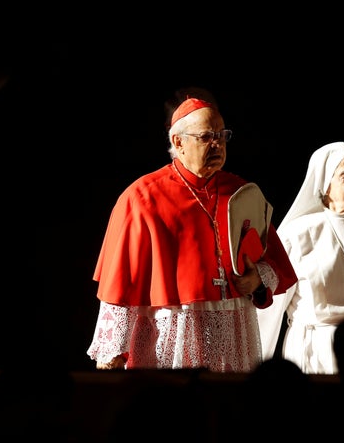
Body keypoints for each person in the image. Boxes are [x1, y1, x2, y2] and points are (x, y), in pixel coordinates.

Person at [86, 95, 298, 372]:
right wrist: (113, 351)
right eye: (206, 136)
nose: (218, 144)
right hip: (174, 334)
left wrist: (257, 279)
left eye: (222, 136)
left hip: (234, 333)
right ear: (178, 143)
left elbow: (274, 264)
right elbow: (121, 282)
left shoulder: (243, 192)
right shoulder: (142, 197)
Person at [257, 141, 344, 374]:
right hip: (315, 354)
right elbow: (268, 310)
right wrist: (253, 368)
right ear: (325, 187)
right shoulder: (298, 234)